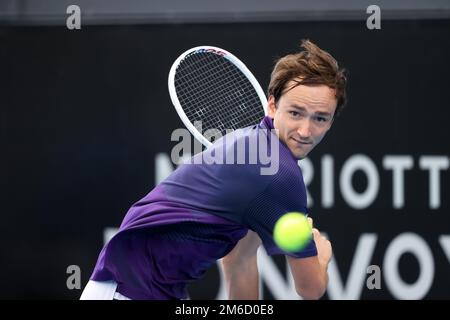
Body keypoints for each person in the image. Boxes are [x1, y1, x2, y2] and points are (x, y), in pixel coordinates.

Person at [80, 39, 347, 300]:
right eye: (296, 113)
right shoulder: (278, 174)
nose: (305, 131)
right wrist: (321, 256)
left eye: (320, 118)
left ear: (332, 121)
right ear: (272, 105)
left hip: (133, 287)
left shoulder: (253, 146)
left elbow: (239, 261)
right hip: (129, 289)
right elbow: (311, 289)